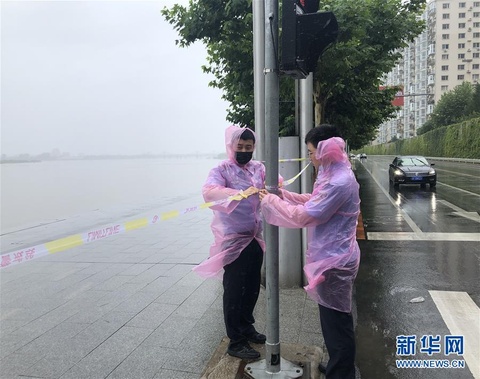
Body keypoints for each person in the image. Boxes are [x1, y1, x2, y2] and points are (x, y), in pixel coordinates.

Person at [259, 124, 360, 378]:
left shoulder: (339, 181)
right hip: (333, 255)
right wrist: (284, 195)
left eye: (311, 152)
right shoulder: (332, 172)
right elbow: (313, 200)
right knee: (332, 321)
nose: (310, 157)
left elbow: (306, 215)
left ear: (325, 150)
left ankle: (342, 373)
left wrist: (271, 202)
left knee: (337, 323)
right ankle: (339, 364)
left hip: (335, 261)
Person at [193, 125, 266, 360]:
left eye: (249, 147)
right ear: (231, 147)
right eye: (240, 147)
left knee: (253, 286)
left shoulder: (258, 168)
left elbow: (274, 182)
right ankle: (235, 340)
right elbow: (209, 191)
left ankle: (247, 327)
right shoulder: (222, 169)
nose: (245, 151)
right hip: (233, 240)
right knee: (234, 290)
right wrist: (239, 192)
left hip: (255, 237)